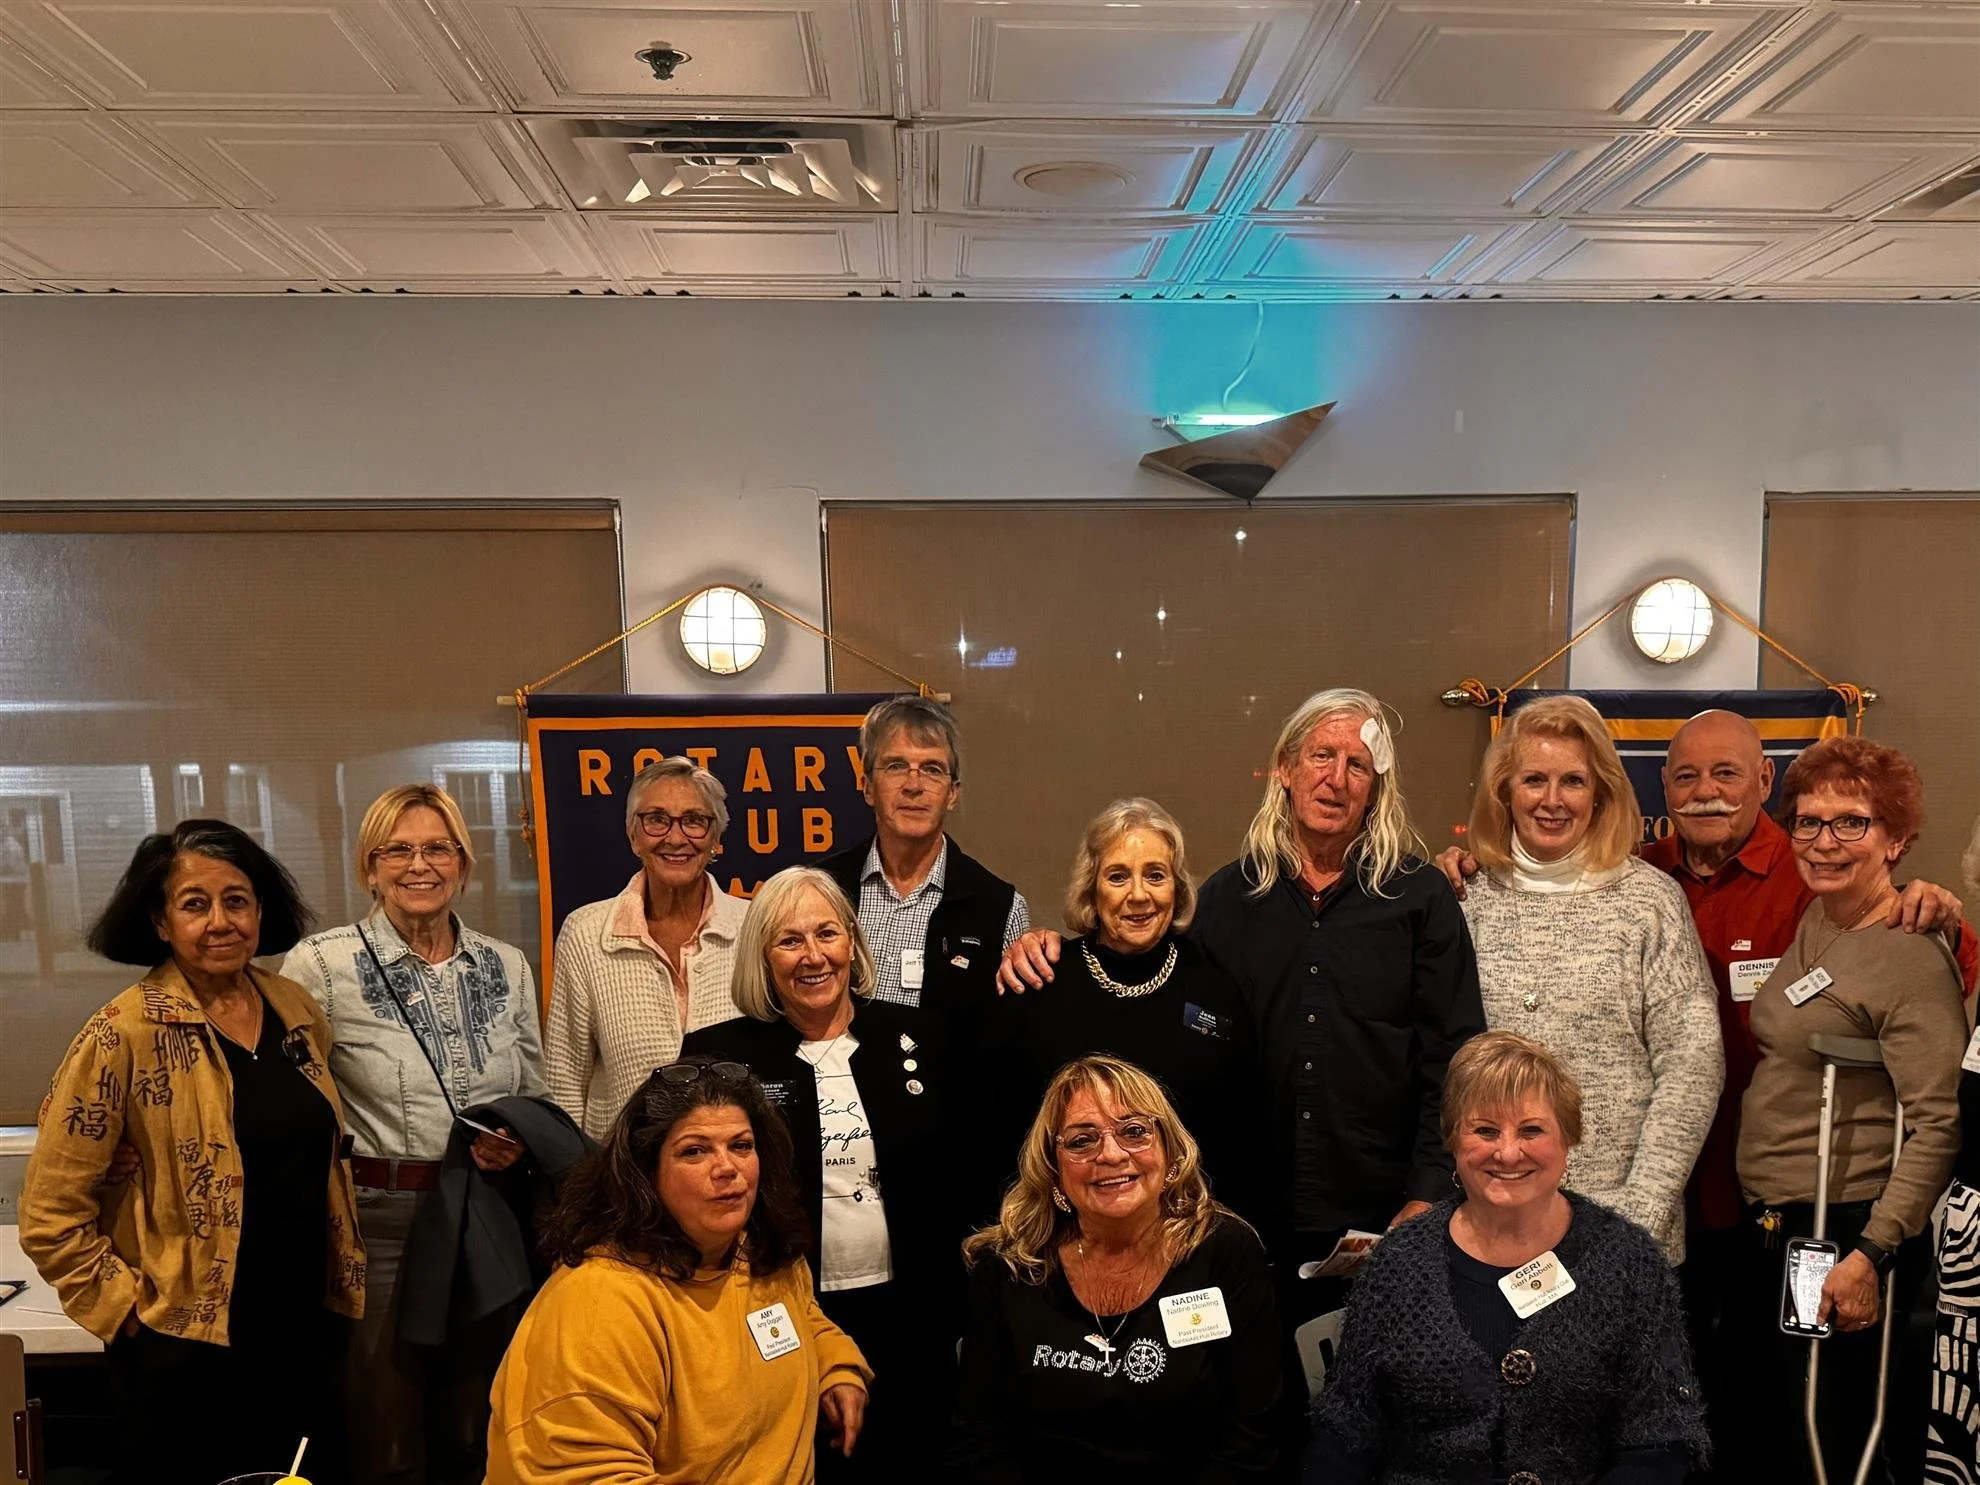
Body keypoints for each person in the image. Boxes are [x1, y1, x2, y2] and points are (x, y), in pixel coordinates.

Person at [1437, 708, 1971, 1466]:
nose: (1706, 791)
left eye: (1727, 773)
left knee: (1784, 1412)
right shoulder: (1494, 892)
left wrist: (1938, 909)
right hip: (1743, 1203)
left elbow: (1705, 1054)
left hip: (1756, 1204)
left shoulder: (1767, 887)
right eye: (1685, 774)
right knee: (1745, 1398)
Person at [1001, 690, 1484, 1346]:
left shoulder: (1420, 899)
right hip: (1243, 1224)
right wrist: (1051, 945)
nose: (1335, 778)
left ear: (1377, 788)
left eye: (1358, 764)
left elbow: (1454, 1062)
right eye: (1321, 755)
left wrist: (1426, 1196)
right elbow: (1135, 965)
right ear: (1283, 767)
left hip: (1387, 1217)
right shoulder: (1226, 902)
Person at [18, 820, 366, 1485]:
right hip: (184, 1346)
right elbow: (50, 1212)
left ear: (261, 910)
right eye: (194, 903)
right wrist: (130, 1315)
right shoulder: (123, 1031)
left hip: (302, 1328)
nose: (220, 921)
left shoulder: (295, 1008)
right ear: (160, 919)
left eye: (237, 900)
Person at [279, 784, 546, 1485]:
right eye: (398, 849)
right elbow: (290, 1105)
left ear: (464, 861)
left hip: (484, 1212)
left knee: (479, 1422)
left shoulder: (507, 965)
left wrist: (516, 1140)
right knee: (384, 1433)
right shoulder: (320, 965)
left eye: (437, 847)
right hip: (380, 1223)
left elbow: (534, 1092)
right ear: (370, 866)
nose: (418, 864)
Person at [1306, 1030, 1708, 1483]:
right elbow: (1346, 1430)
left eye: (1532, 1129)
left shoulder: (1626, 1260)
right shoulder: (1399, 1262)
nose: (1509, 1152)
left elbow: (1661, 1440)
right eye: (1485, 1130)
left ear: (1568, 1139)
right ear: (1453, 1140)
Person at [1732, 736, 1965, 1484]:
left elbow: (1939, 1122)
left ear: (1896, 838)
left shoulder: (1911, 956)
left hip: (1844, 1228)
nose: (1825, 841)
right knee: (1783, 1426)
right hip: (1782, 1217)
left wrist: (1873, 1251)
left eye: (1852, 822)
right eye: (1808, 820)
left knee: (1835, 1434)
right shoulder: (1819, 919)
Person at [682, 867, 957, 1475]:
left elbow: (957, 1181)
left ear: (852, 944)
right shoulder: (721, 1057)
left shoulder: (921, 1038)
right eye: (789, 940)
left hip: (913, 1314)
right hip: (782, 1312)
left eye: (827, 934)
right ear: (763, 957)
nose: (813, 957)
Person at [487, 1057, 871, 1484]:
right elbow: (585, 1476)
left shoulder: (759, 1248)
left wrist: (836, 1367)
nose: (727, 1167)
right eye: (695, 1150)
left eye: (741, 1145)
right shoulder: (600, 1302)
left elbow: (802, 1317)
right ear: (646, 1174)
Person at [1458, 694, 1722, 1260]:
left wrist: (1638, 1215)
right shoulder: (1465, 900)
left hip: (1619, 1231)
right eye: (1534, 780)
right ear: (1505, 790)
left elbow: (1692, 1065)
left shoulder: (1649, 900)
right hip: (1489, 1223)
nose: (1552, 801)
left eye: (1573, 781)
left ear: (1600, 793)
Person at [954, 1055, 1282, 1482]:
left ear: (1169, 1150)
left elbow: (1253, 1438)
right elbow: (976, 1440)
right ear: (1053, 1169)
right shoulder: (1009, 1267)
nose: (1110, 1154)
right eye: (1081, 1141)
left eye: (1134, 1132)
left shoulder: (1225, 1252)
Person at [971, 798, 1262, 1224]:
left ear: (1177, 889)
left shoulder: (1218, 992)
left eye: (1156, 875)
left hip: (1186, 1242)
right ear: (1091, 888)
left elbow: (1246, 1141)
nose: (1139, 895)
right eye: (1118, 876)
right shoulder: (1035, 983)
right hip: (1056, 1242)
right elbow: (987, 1134)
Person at [544, 756, 746, 1139]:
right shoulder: (586, 932)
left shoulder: (754, 927)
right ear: (633, 835)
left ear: (716, 838)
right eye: (656, 819)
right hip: (619, 1180)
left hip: (728, 1170)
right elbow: (564, 1081)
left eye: (694, 820)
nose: (675, 838)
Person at [820, 694, 1028, 1011]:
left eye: (932, 769)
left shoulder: (1001, 908)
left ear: (952, 794)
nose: (914, 785)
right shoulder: (820, 890)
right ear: (867, 787)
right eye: (896, 766)